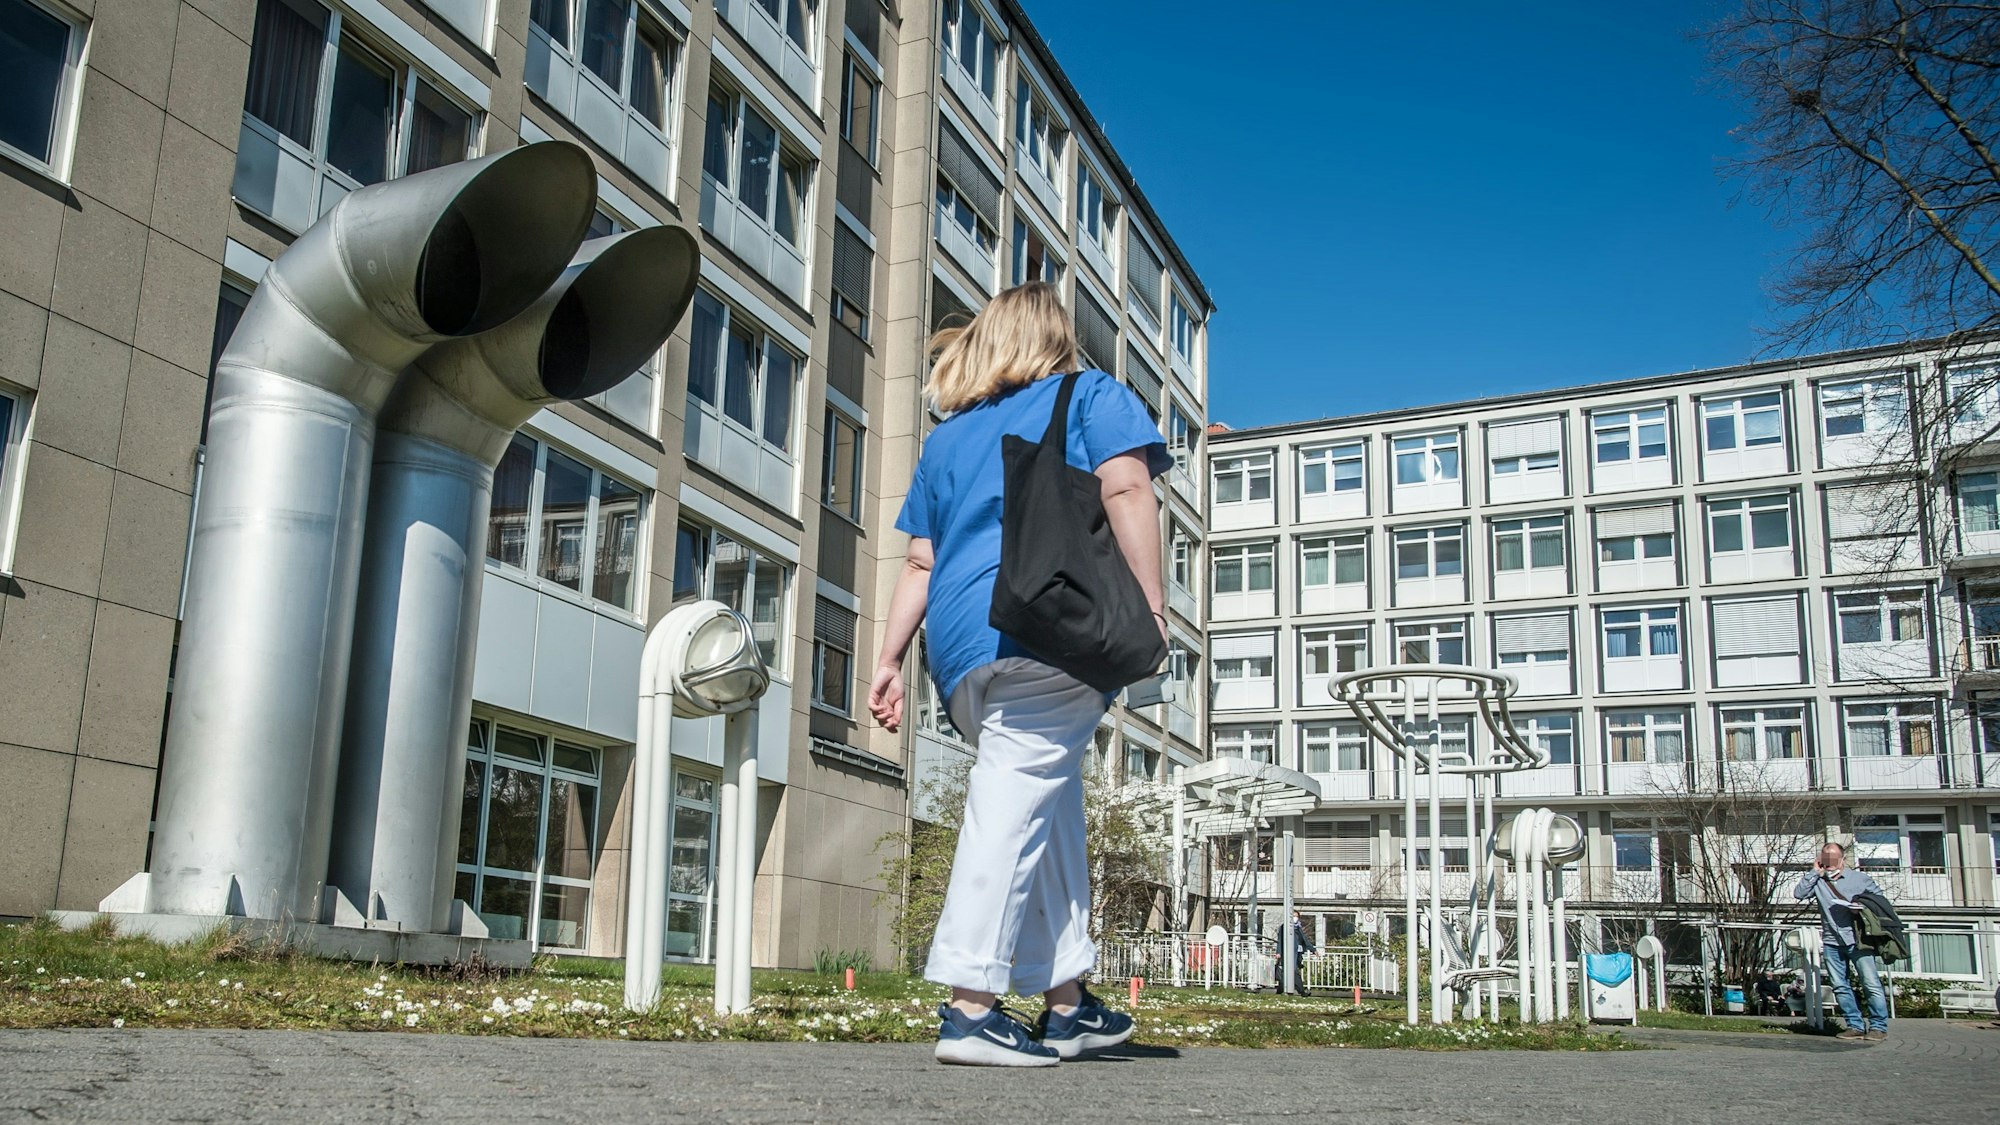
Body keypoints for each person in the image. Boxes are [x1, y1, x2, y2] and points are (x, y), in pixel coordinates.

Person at [869, 282, 1170, 1068]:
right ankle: (970, 1004)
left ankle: (1066, 1001)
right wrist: (1153, 607)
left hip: (964, 646)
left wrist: (889, 658)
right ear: (1052, 340)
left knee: (1050, 799)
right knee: (1016, 791)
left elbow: (919, 560)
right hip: (1048, 625)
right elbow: (1130, 486)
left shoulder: (949, 438)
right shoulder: (1090, 395)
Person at [1794, 841, 1890, 1041]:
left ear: (1842, 859)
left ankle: (1878, 1027)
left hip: (1858, 940)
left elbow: (1881, 903)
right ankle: (1854, 1025)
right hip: (1831, 941)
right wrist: (1814, 872)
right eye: (1825, 859)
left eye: (1833, 858)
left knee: (1870, 983)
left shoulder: (1860, 879)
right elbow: (1799, 894)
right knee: (1840, 985)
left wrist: (1860, 907)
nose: (1829, 863)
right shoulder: (1818, 882)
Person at [1286, 910, 1316, 996]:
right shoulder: (1285, 928)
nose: (1295, 918)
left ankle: (1292, 990)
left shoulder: (1298, 928)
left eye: (1296, 916)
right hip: (1289, 953)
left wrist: (1313, 950)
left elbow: (1305, 940)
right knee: (1293, 972)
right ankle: (1301, 991)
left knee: (1293, 972)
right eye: (1293, 916)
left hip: (1297, 954)